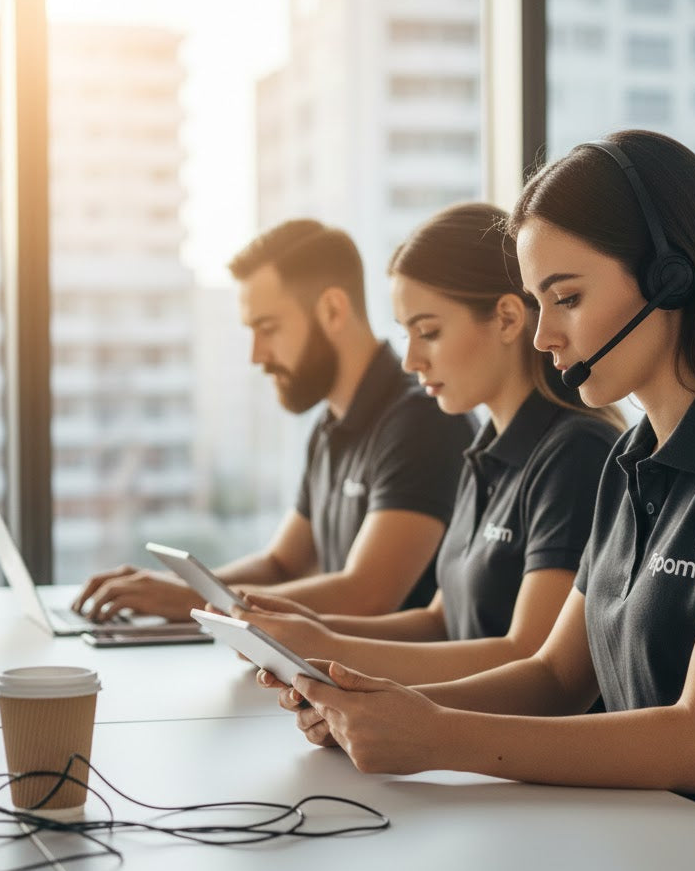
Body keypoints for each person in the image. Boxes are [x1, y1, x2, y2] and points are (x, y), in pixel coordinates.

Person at [270, 131, 695, 846]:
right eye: (537, 303)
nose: (542, 337)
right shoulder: (630, 457)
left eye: (565, 297)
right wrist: (380, 709)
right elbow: (553, 677)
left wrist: (438, 738)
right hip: (656, 838)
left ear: (671, 278)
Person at [227, 202, 623, 684]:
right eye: (406, 334)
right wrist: (302, 632)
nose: (411, 359)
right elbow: (441, 621)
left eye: (428, 332)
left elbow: (529, 656)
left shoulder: (575, 453)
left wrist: (326, 648)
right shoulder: (485, 453)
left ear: (506, 319)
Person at [72, 219, 475, 622]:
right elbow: (282, 564)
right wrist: (173, 588)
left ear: (333, 310)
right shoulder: (329, 428)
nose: (256, 355)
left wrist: (195, 603)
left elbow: (366, 595)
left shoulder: (422, 420)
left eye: (269, 329)